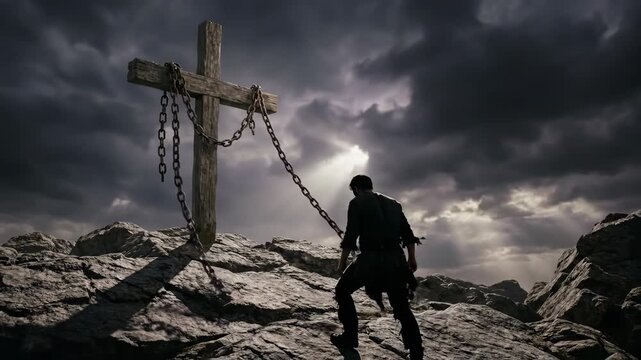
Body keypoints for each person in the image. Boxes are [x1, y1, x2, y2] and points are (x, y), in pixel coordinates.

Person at [332, 175, 424, 360]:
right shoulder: (394, 204)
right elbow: (408, 235)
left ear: (356, 188)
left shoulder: (357, 202)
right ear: (370, 186)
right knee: (402, 307)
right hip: (396, 261)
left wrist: (342, 264)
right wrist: (411, 259)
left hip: (371, 261)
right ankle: (416, 351)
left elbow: (350, 236)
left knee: (342, 290)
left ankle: (350, 337)